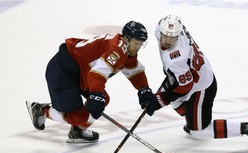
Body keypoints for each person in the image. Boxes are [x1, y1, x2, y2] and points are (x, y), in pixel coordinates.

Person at [26, 21, 157, 143]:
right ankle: (40, 110)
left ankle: (78, 132)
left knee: (102, 100)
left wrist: (144, 90)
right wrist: (96, 94)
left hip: (82, 72)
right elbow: (99, 72)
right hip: (63, 70)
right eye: (136, 42)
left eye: (141, 43)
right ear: (127, 38)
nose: (138, 47)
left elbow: (134, 71)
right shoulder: (117, 49)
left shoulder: (126, 50)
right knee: (79, 116)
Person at [153, 15, 248, 148]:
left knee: (200, 132)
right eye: (165, 35)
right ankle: (193, 120)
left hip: (201, 87)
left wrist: (161, 100)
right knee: (173, 99)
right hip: (195, 73)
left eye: (171, 38)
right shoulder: (172, 30)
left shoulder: (176, 59)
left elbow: (185, 86)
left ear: (178, 36)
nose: (166, 40)